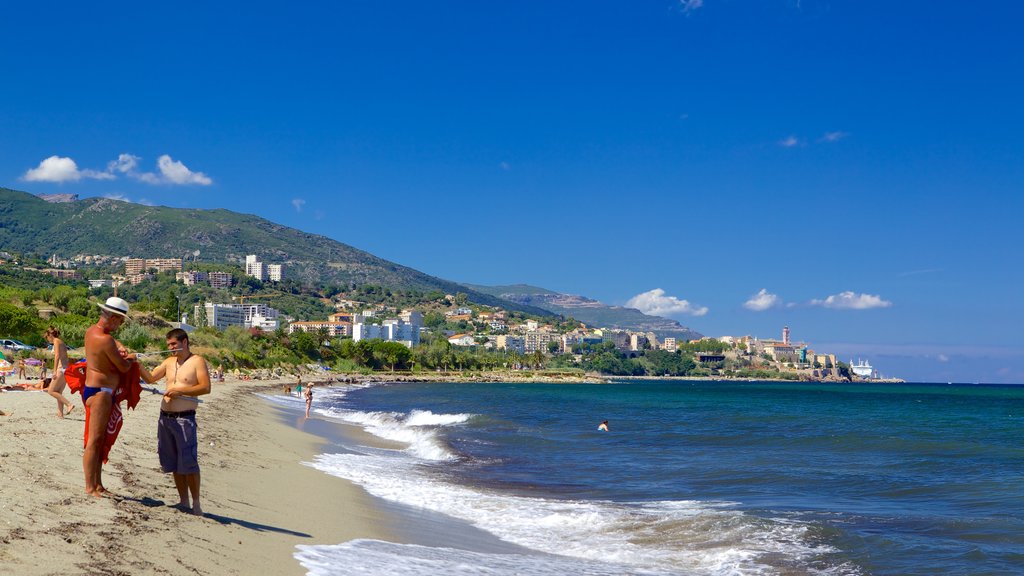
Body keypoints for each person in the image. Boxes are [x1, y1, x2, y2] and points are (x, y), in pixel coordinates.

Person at [139, 328, 211, 515]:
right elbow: (150, 378)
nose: (171, 348)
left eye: (174, 344)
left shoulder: (197, 361)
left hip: (184, 418)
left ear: (184, 342)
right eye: (168, 345)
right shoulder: (169, 361)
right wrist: (135, 363)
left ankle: (196, 503)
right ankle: (183, 501)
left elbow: (205, 387)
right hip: (165, 418)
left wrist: (182, 391)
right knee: (173, 462)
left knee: (188, 462)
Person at [83, 297, 136, 497]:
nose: (120, 325)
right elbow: (123, 367)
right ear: (113, 318)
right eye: (120, 321)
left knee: (100, 440)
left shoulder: (93, 332)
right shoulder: (104, 339)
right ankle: (90, 486)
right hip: (101, 393)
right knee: (95, 440)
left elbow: (111, 342)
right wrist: (131, 358)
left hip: (97, 391)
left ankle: (98, 484)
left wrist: (120, 345)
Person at [43, 327, 74, 418]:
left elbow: (57, 356)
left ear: (50, 335)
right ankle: (60, 413)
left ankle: (69, 404)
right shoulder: (61, 342)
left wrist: (54, 371)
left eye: (47, 337)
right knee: (58, 392)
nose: (47, 339)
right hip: (65, 368)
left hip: (61, 369)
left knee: (51, 391)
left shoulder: (56, 341)